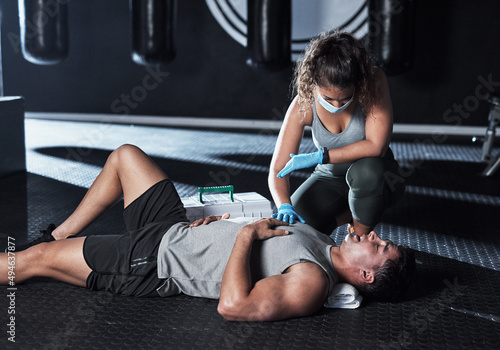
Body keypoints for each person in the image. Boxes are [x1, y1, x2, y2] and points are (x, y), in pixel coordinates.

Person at [2, 144, 414, 321]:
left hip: (154, 261)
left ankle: (46, 251)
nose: (375, 236)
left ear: (366, 276)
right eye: (382, 238)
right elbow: (258, 237)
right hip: (176, 229)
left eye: (381, 248)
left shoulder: (311, 282)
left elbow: (233, 306)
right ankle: (55, 238)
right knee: (125, 157)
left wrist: (243, 237)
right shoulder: (325, 243)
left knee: (33, 264)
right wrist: (227, 226)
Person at [269, 31, 405, 236]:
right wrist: (284, 205)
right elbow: (278, 170)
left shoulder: (373, 82)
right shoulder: (304, 103)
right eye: (329, 98)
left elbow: (376, 146)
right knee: (293, 230)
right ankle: (347, 214)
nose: (337, 105)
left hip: (378, 177)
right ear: (314, 80)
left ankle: (360, 237)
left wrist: (321, 156)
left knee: (366, 173)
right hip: (329, 177)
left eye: (345, 98)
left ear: (358, 83)